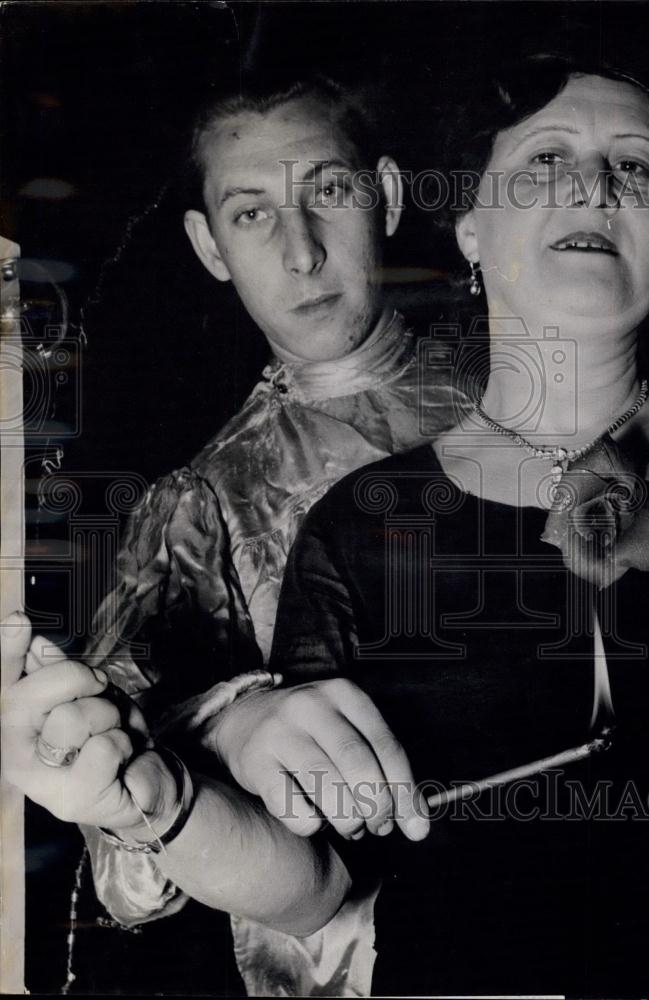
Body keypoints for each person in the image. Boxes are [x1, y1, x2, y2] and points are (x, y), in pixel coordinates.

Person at [1, 74, 467, 996]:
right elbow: (127, 865)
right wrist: (219, 729)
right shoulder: (198, 506)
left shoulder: (539, 389)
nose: (301, 253)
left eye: (328, 192)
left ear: (389, 194)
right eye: (252, 215)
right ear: (208, 247)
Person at [212, 54, 649, 994]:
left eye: (638, 165)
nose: (594, 184)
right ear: (469, 231)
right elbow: (316, 885)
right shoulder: (360, 529)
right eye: (542, 160)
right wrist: (163, 800)